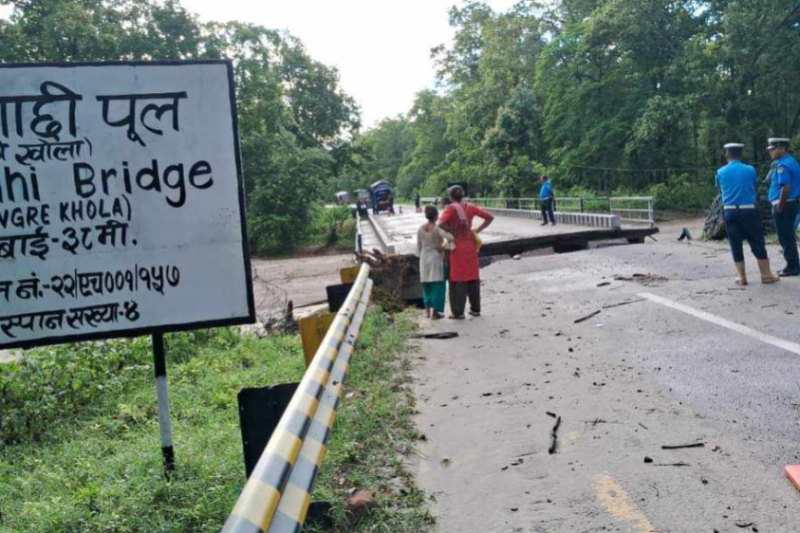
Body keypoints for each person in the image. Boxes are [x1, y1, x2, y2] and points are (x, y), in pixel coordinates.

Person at [715, 142, 779, 285]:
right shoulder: (750, 170)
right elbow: (753, 186)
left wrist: (722, 215)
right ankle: (766, 274)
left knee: (735, 242)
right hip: (748, 209)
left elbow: (720, 194)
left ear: (727, 155)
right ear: (740, 154)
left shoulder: (720, 172)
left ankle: (741, 276)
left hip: (730, 210)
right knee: (756, 240)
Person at [438, 185, 494, 319]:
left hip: (457, 247)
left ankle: (458, 312)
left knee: (457, 278)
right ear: (462, 195)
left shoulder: (450, 209)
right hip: (470, 246)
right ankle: (475, 309)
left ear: (450, 197)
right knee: (473, 276)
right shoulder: (470, 207)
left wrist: (452, 231)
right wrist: (476, 230)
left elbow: (440, 224)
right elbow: (490, 217)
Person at [766, 137, 800, 276]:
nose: (771, 152)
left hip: (786, 204)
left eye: (773, 149)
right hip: (791, 203)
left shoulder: (783, 165)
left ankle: (792, 267)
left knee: (785, 237)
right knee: (788, 236)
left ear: (781, 148)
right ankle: (793, 265)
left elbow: (785, 187)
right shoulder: (789, 162)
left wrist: (780, 206)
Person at [417, 205, 451, 319]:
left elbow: (418, 248)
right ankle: (435, 313)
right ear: (436, 216)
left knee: (426, 284)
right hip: (436, 258)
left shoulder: (420, 229)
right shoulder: (437, 229)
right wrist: (443, 247)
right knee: (438, 285)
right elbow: (450, 237)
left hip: (424, 258)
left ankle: (427, 311)